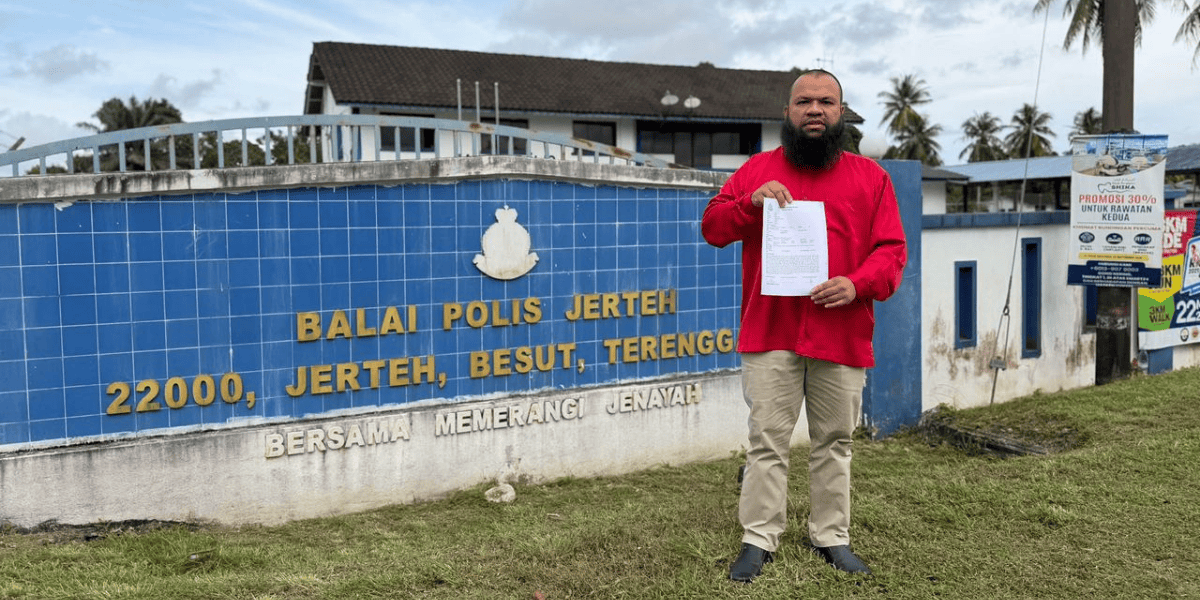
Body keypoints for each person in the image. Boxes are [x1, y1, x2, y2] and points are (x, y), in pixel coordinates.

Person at [701, 69, 907, 582]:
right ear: (788, 113)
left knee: (835, 441)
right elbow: (713, 227)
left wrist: (857, 283)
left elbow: (892, 252)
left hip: (841, 331)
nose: (815, 109)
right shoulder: (757, 170)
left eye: (826, 102)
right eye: (804, 102)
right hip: (771, 329)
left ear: (841, 111)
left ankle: (831, 536)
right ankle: (758, 538)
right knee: (766, 440)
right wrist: (749, 203)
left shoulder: (871, 178)